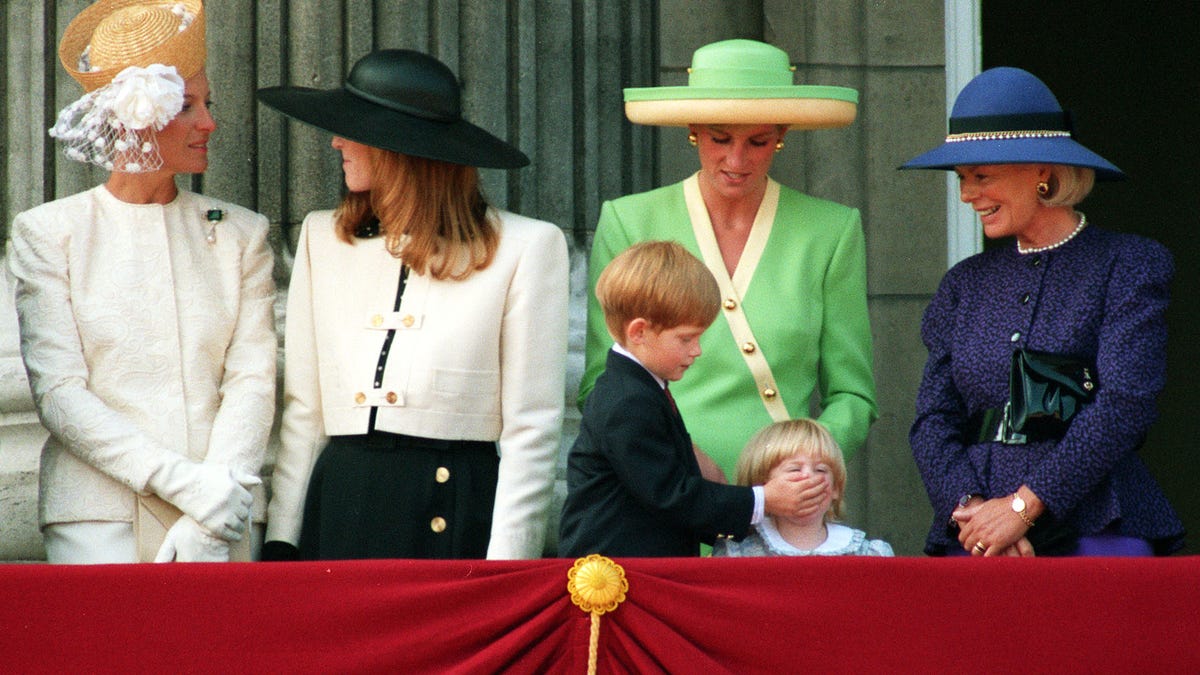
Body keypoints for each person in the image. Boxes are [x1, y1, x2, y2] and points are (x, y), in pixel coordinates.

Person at [256, 49, 568, 561]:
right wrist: (283, 537)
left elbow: (531, 430)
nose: (335, 141)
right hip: (341, 505)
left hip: (451, 504)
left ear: (396, 147)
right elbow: (305, 412)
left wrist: (509, 565)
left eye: (349, 129)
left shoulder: (527, 247)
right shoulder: (321, 237)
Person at [7, 0, 277, 564]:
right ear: (139, 116)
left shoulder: (242, 234)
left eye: (208, 104)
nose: (209, 122)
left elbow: (252, 380)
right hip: (98, 514)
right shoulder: (49, 232)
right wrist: (183, 484)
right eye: (187, 106)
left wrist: (213, 503)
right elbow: (58, 394)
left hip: (221, 509)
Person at [901, 67, 1184, 557]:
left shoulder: (1128, 264)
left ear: (1043, 174)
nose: (967, 194)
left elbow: (1125, 403)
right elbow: (933, 419)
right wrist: (973, 512)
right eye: (962, 178)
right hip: (975, 537)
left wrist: (1021, 509)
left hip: (1098, 522)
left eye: (981, 176)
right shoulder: (963, 285)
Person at [581, 39, 877, 487]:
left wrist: (805, 463)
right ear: (694, 129)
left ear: (782, 135)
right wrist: (680, 460)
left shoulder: (830, 230)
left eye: (757, 141)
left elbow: (853, 395)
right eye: (720, 138)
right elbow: (601, 382)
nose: (736, 160)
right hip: (660, 491)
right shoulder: (629, 220)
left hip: (785, 501)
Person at [559, 241, 821, 557]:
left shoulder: (639, 389)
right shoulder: (628, 401)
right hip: (616, 579)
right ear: (639, 332)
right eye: (686, 338)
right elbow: (670, 496)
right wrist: (763, 500)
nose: (696, 350)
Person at [713, 419, 893, 557]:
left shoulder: (869, 555)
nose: (809, 478)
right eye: (794, 469)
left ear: (836, 489)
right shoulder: (738, 553)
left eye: (821, 470)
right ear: (762, 484)